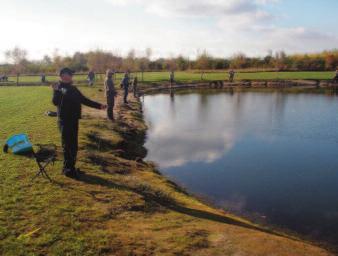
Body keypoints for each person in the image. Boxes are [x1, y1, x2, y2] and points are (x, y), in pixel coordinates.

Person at [52, 67, 106, 178]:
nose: (71, 76)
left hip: (74, 120)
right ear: (62, 75)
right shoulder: (58, 87)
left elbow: (84, 100)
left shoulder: (73, 89)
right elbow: (55, 102)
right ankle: (68, 171)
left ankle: (71, 168)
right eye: (69, 74)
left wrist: (99, 106)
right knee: (67, 146)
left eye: (72, 74)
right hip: (64, 121)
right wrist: (56, 90)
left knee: (74, 146)